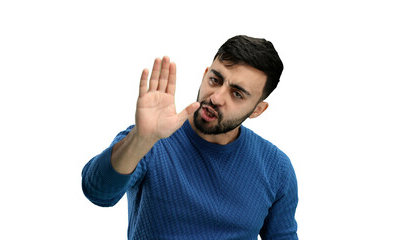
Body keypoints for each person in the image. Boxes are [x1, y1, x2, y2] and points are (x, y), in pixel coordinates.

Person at [81, 35, 298, 239]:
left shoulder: (276, 167)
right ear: (205, 75)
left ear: (257, 110)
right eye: (215, 80)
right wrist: (141, 138)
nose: (216, 97)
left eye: (237, 94)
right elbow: (98, 191)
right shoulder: (152, 139)